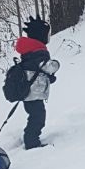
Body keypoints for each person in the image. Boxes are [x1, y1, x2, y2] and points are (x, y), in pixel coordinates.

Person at [14, 16, 59, 149]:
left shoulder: (30, 50)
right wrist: (56, 65)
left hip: (29, 91)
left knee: (35, 115)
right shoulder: (38, 51)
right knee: (38, 118)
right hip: (33, 93)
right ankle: (31, 141)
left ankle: (30, 138)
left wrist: (48, 78)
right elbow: (47, 67)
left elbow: (35, 71)